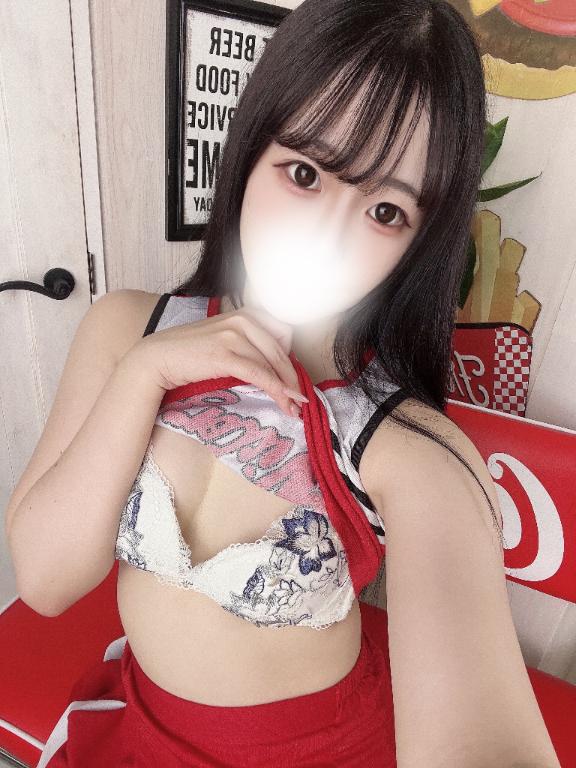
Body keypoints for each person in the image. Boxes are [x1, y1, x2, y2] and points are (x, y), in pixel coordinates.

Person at [5, 0, 560, 765]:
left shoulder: (408, 451)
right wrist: (145, 373)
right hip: (140, 732)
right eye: (305, 174)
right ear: (250, 147)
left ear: (420, 239)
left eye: (385, 210)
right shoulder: (128, 329)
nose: (327, 235)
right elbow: (46, 582)